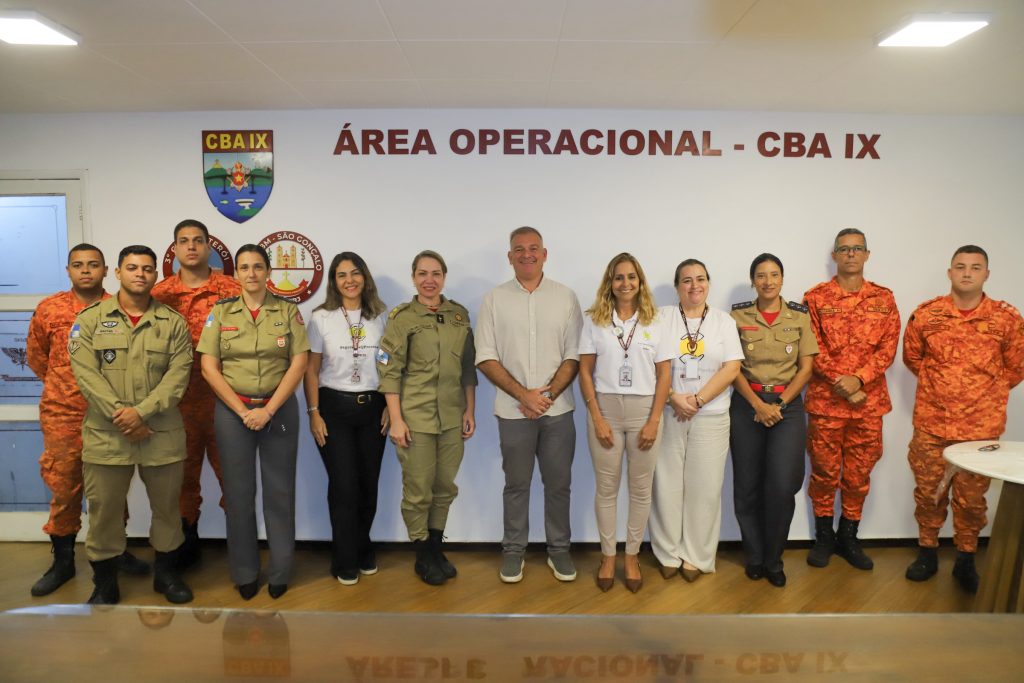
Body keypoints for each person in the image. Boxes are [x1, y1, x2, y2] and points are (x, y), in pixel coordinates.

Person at [69, 245, 194, 604]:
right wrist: (123, 415)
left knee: (168, 509)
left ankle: (166, 576)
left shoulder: (173, 323)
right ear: (118, 273)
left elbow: (178, 376)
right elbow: (86, 375)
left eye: (147, 268)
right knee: (104, 510)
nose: (140, 274)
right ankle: (105, 584)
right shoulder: (89, 320)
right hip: (107, 434)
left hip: (160, 432)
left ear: (156, 275)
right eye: (132, 267)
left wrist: (141, 413)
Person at [26, 244, 151, 596]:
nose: (86, 271)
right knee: (64, 486)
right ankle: (63, 560)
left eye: (93, 265)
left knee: (112, 489)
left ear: (105, 269)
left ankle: (117, 551)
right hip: (62, 413)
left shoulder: (120, 308)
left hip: (109, 412)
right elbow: (38, 359)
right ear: (68, 270)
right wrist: (65, 388)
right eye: (78, 265)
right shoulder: (49, 309)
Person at [902, 245, 1024, 593]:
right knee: (929, 494)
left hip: (980, 431)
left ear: (987, 274)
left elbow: (1016, 368)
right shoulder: (927, 315)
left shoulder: (1007, 318)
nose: (967, 273)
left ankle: (966, 560)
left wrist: (979, 397)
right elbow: (914, 359)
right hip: (931, 424)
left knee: (971, 500)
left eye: (975, 267)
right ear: (950, 273)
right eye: (960, 266)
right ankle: (927, 553)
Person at [197, 244, 309, 600]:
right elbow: (208, 367)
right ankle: (244, 572)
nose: (251, 273)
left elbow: (299, 363)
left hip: (278, 410)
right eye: (244, 267)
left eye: (258, 266)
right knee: (239, 494)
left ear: (268, 272)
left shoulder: (288, 312)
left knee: (280, 493)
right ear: (237, 274)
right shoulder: (221, 313)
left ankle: (280, 571)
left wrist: (268, 410)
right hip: (233, 413)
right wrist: (243, 410)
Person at [476, 226, 583, 584]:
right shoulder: (494, 299)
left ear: (545, 253)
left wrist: (546, 396)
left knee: (558, 485)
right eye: (519, 249)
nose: (526, 254)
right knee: (516, 485)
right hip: (513, 412)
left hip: (558, 411)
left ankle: (559, 551)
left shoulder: (566, 297)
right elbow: (486, 357)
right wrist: (525, 396)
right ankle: (513, 552)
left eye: (533, 248)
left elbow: (574, 355)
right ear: (509, 257)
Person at [377, 250, 477, 586]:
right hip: (415, 417)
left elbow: (467, 370)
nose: (429, 280)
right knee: (418, 490)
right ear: (414, 278)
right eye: (422, 273)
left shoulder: (459, 317)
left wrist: (470, 411)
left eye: (435, 273)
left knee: (444, 487)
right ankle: (422, 553)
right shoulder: (402, 318)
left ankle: (436, 546)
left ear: (444, 277)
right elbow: (389, 371)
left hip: (451, 416)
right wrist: (396, 419)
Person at [803, 229, 900, 571]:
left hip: (867, 405)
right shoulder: (815, 298)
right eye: (844, 249)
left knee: (858, 476)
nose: (850, 255)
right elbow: (810, 348)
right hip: (826, 405)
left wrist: (859, 379)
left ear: (867, 254)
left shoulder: (884, 299)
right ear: (834, 255)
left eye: (857, 249)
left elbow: (888, 348)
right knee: (825, 473)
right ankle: (824, 538)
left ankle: (849, 536)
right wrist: (842, 383)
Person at [578, 253, 672, 593]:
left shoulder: (656, 320)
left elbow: (664, 374)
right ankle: (607, 555)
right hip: (606, 411)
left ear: (640, 281)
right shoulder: (594, 320)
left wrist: (654, 419)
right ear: (610, 283)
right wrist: (596, 417)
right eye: (619, 277)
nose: (626, 283)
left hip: (645, 411)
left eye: (632, 277)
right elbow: (584, 372)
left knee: (640, 489)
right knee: (606, 488)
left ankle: (631, 555)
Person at [152, 219, 241, 568]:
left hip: (226, 400)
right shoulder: (159, 295)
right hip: (176, 403)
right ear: (174, 249)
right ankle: (187, 544)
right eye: (183, 241)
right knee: (181, 479)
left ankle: (241, 547)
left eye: (198, 240)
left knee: (234, 476)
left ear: (208, 246)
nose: (191, 246)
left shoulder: (232, 290)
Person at [649, 259, 742, 583]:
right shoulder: (660, 318)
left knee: (705, 488)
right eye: (686, 280)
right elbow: (649, 361)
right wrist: (674, 396)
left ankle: (697, 555)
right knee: (667, 485)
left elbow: (731, 368)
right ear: (677, 286)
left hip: (711, 415)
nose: (694, 286)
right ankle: (666, 552)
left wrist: (699, 400)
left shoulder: (723, 322)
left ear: (709, 283)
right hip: (669, 410)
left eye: (700, 279)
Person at [729, 253, 818, 588]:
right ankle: (754, 556)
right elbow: (732, 365)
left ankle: (773, 558)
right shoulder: (737, 316)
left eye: (774, 274)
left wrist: (778, 404)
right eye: (761, 275)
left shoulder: (799, 316)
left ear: (782, 279)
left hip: (788, 405)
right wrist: (756, 403)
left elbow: (807, 368)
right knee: (747, 485)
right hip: (746, 403)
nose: (768, 281)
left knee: (782, 486)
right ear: (753, 280)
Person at [304, 251, 389, 585]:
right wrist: (314, 414)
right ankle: (344, 558)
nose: (350, 280)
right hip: (333, 408)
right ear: (334, 281)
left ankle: (363, 547)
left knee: (368, 485)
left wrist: (388, 406)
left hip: (373, 408)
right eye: (342, 275)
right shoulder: (321, 317)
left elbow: (389, 366)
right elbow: (311, 372)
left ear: (365, 277)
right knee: (344, 486)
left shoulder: (381, 316)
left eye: (355, 273)